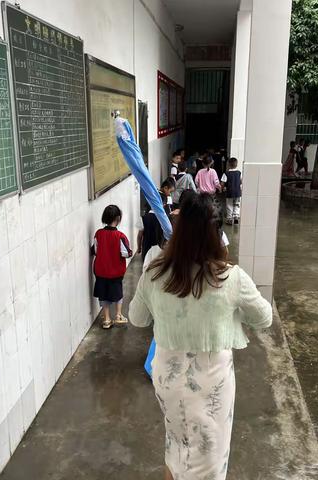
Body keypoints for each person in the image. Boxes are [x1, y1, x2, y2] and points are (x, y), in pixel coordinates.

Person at [129, 193, 272, 480]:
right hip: (212, 382)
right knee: (210, 454)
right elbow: (264, 318)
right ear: (216, 235)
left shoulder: (154, 275)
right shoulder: (231, 278)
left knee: (177, 443)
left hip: (168, 377)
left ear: (178, 232)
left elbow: (137, 318)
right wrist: (230, 313)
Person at [92, 205, 132, 329]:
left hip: (101, 271)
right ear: (118, 218)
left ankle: (107, 319)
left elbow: (95, 250)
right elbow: (125, 253)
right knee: (117, 293)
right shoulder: (120, 236)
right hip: (115, 272)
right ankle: (119, 315)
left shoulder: (98, 233)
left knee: (103, 295)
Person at [221, 157, 242, 225]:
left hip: (229, 192)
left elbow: (222, 183)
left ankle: (229, 219)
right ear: (236, 164)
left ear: (229, 165)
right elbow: (241, 181)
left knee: (229, 205)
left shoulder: (226, 173)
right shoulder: (239, 173)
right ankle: (236, 217)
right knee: (237, 204)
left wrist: (223, 188)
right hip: (238, 192)